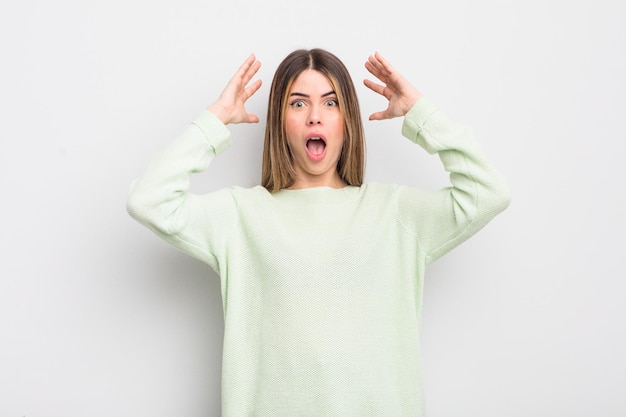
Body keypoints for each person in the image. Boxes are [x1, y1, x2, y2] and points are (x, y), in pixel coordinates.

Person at [126, 48, 510, 416]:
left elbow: (487, 193)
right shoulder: (240, 217)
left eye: (331, 103)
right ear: (280, 120)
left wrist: (421, 115)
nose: (315, 117)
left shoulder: (395, 213)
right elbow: (149, 200)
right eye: (297, 103)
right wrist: (215, 118)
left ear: (348, 121)